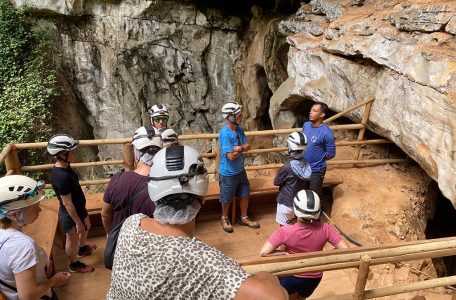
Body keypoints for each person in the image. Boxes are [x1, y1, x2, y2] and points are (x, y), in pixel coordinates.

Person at [107, 145, 288, 300]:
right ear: (202, 197)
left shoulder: (131, 224)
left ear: (153, 196)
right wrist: (267, 276)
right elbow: (275, 297)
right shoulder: (204, 262)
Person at [260, 190, 349, 300]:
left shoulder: (284, 231)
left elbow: (263, 252)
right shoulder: (326, 229)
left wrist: (283, 252)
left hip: (291, 275)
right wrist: (322, 255)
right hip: (314, 278)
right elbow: (345, 249)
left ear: (296, 209)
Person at [0, 175, 71, 299]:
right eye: (34, 207)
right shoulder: (22, 246)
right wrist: (54, 280)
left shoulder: (7, 235)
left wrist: (42, 263)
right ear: (15, 214)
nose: (39, 211)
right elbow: (27, 296)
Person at [48, 134, 95, 274]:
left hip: (78, 208)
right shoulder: (61, 176)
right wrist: (78, 222)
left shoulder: (65, 166)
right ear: (63, 154)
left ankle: (81, 250)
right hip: (70, 214)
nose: (75, 153)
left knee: (87, 227)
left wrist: (83, 220)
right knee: (72, 239)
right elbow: (67, 204)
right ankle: (74, 264)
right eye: (72, 151)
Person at [101, 126, 162, 234]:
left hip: (122, 244)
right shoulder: (164, 185)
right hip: (151, 245)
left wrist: (110, 235)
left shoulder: (117, 180)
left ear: (136, 153)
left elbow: (105, 214)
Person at [218, 102, 259, 233]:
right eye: (239, 115)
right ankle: (224, 218)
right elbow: (230, 156)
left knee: (245, 194)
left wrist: (239, 148)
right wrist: (242, 148)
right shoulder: (224, 134)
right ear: (230, 117)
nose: (242, 117)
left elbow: (248, 146)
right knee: (226, 198)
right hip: (228, 173)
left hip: (241, 171)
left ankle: (244, 217)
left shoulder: (239, 130)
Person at [274, 132, 311, 226]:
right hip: (300, 202)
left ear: (290, 146)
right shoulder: (306, 163)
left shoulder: (288, 167)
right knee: (298, 228)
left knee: (284, 230)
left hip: (286, 202)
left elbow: (276, 181)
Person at [302, 102, 336, 199]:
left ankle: (318, 211)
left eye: (314, 111)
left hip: (316, 169)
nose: (310, 113)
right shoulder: (306, 125)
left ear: (322, 115)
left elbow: (331, 154)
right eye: (311, 110)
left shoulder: (327, 133)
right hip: (303, 166)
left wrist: (318, 159)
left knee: (315, 194)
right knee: (303, 190)